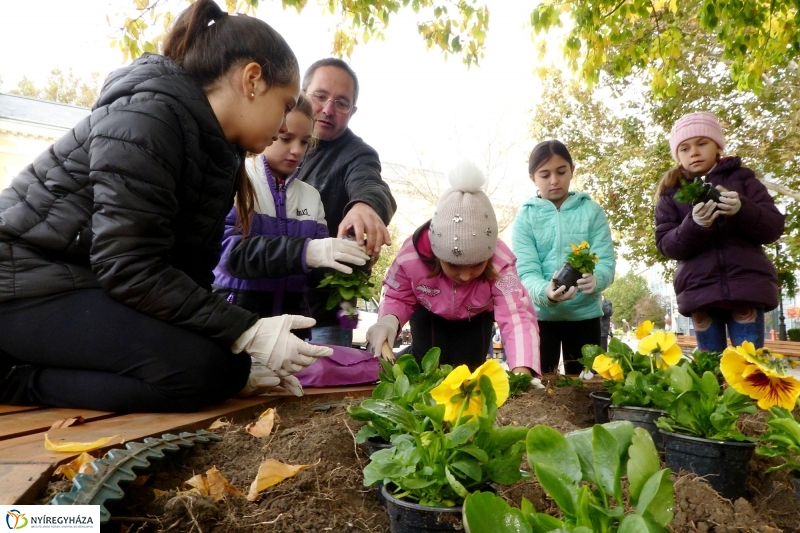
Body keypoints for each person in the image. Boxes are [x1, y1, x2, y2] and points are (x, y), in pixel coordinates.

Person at [0, 0, 333, 412]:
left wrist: (240, 353)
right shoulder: (149, 117)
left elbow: (186, 274)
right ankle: (14, 379)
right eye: (284, 106)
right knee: (200, 373)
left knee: (221, 368)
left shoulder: (218, 151)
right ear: (251, 79)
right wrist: (247, 330)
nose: (285, 127)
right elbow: (129, 265)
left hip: (83, 282)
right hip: (22, 284)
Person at [211, 94, 370, 338]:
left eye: (305, 142)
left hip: (292, 331)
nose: (296, 150)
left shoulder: (311, 197)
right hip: (236, 323)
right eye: (286, 138)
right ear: (270, 128)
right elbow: (228, 254)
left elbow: (316, 275)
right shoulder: (238, 180)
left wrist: (349, 261)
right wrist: (306, 251)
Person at [366, 161, 541, 375]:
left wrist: (522, 369)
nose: (466, 275)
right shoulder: (410, 257)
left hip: (475, 318)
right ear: (437, 255)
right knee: (426, 366)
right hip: (428, 312)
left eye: (477, 265)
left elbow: (516, 315)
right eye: (454, 265)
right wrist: (388, 321)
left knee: (467, 370)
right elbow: (397, 295)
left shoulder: (502, 264)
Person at [655, 112, 784, 351]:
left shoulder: (743, 179)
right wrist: (694, 225)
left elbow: (773, 227)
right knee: (709, 369)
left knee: (749, 368)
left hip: (746, 287)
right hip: (700, 292)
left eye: (701, 143)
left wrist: (742, 208)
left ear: (717, 146)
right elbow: (666, 244)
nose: (693, 152)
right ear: (677, 155)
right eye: (684, 148)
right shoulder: (671, 192)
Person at [298, 58, 397, 347]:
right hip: (267, 310)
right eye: (320, 96)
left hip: (324, 319)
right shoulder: (273, 140)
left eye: (341, 103)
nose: (328, 109)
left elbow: (371, 184)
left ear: (352, 112)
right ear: (302, 94)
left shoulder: (357, 154)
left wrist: (365, 205)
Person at [512, 140, 615, 375]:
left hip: (584, 316)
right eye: (544, 174)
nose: (554, 181)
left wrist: (596, 279)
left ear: (572, 169)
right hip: (539, 318)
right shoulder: (525, 218)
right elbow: (526, 271)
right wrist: (545, 292)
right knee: (538, 389)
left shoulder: (592, 212)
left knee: (585, 390)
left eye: (561, 171)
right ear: (533, 178)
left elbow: (606, 262)